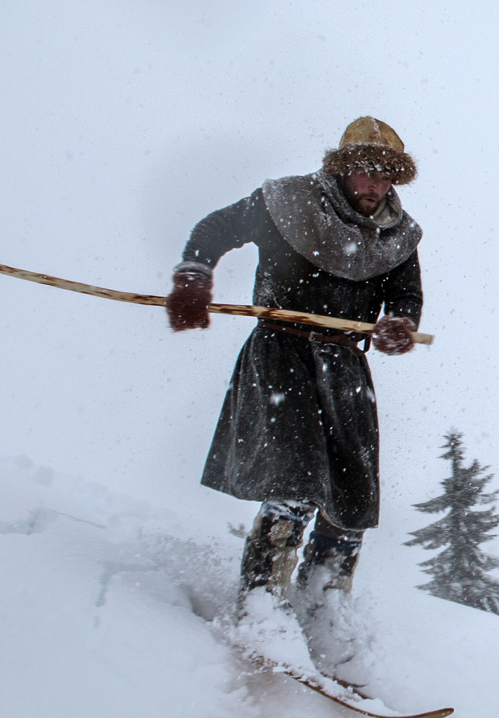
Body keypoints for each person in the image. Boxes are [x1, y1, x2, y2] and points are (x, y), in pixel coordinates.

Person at [167, 117, 423, 645]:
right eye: (366, 172)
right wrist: (194, 276)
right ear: (343, 168)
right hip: (282, 352)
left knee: (353, 490)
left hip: (346, 364)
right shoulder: (288, 201)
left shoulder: (398, 235)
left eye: (385, 177)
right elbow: (215, 229)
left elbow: (405, 294)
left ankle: (324, 606)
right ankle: (263, 605)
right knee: (296, 479)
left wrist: (400, 324)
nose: (375, 186)